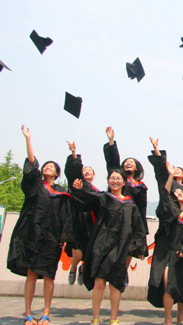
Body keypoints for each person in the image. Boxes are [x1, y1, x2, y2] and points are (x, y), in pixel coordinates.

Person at [66, 146, 146, 325]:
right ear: (108, 181)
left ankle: (113, 319)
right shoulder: (103, 198)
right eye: (112, 178)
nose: (115, 180)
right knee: (99, 283)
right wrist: (78, 190)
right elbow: (83, 201)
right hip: (101, 246)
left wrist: (138, 248)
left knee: (116, 285)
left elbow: (138, 228)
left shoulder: (130, 205)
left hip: (120, 248)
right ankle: (95, 318)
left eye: (118, 178)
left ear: (124, 182)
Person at [7, 126, 73, 325]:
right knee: (31, 274)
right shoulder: (35, 186)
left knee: (49, 276)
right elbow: (30, 166)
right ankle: (28, 314)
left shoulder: (62, 193)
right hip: (32, 236)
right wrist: (28, 139)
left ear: (56, 173)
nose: (47, 168)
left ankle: (45, 313)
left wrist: (64, 240)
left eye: (51, 167)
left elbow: (66, 218)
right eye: (45, 166)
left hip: (51, 239)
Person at [147, 161, 183, 325]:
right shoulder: (169, 211)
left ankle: (180, 314)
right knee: (168, 285)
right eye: (176, 192)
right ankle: (168, 318)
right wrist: (170, 175)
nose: (179, 193)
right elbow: (164, 194)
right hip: (168, 253)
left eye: (182, 192)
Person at [104, 126, 149, 262]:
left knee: (129, 250)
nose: (128, 163)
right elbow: (113, 161)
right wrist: (111, 141)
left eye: (132, 162)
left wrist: (142, 233)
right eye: (126, 162)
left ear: (137, 168)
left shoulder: (141, 187)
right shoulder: (120, 180)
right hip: (116, 215)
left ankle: (122, 277)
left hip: (132, 219)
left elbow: (142, 209)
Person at [66, 141, 100, 287]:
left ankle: (82, 269)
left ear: (94, 174)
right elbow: (74, 172)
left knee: (90, 255)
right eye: (84, 170)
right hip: (78, 221)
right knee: (78, 252)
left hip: (92, 225)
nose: (86, 172)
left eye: (89, 171)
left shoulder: (98, 191)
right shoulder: (79, 183)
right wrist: (74, 154)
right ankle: (73, 268)